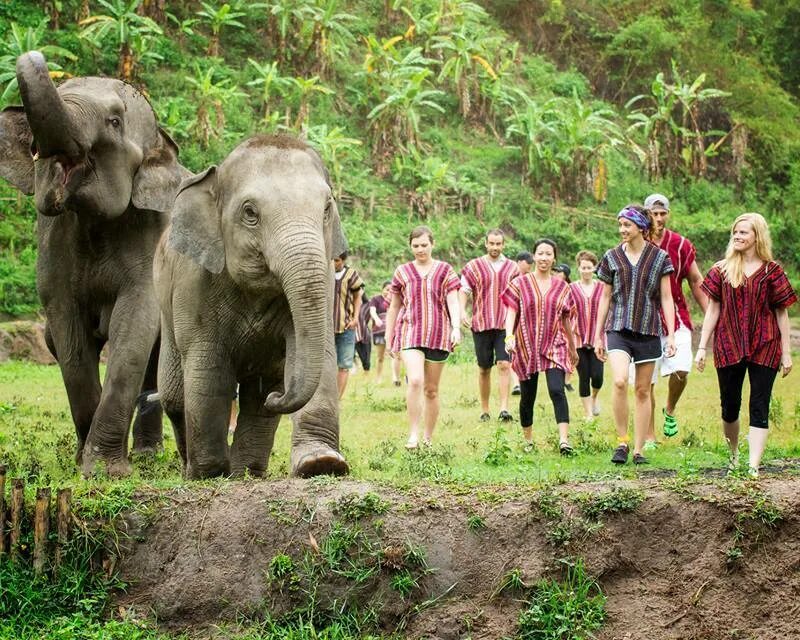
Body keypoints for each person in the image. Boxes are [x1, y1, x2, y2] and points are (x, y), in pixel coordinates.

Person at [695, 213, 796, 477]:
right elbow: (713, 309)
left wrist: (786, 353)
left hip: (766, 344)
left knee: (759, 405)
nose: (738, 237)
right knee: (729, 407)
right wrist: (702, 347)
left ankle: (752, 466)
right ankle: (734, 456)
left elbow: (781, 313)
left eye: (744, 233)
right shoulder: (721, 269)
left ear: (757, 237)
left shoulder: (772, 271)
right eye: (735, 232)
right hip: (728, 345)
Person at [595, 204, 676, 465]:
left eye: (626, 225)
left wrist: (671, 335)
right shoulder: (611, 257)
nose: (622, 230)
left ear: (641, 226)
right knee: (619, 381)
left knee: (642, 390)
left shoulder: (660, 258)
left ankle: (639, 449)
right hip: (618, 327)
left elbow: (666, 297)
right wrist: (597, 334)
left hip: (648, 328)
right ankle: (622, 442)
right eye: (619, 225)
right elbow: (605, 297)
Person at [385, 226, 461, 449]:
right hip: (410, 332)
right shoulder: (402, 272)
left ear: (432, 244)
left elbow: (453, 301)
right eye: (416, 246)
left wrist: (456, 328)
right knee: (415, 380)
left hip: (439, 334)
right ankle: (413, 435)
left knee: (431, 389)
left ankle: (428, 438)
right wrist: (390, 336)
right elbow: (394, 306)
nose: (420, 250)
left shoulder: (445, 271)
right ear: (410, 246)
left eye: (424, 245)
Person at [643, 193, 709, 445]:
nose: (658, 218)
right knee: (645, 381)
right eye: (654, 213)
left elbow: (695, 280)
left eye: (662, 214)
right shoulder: (638, 241)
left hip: (677, 316)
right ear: (646, 214)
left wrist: (711, 314)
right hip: (645, 318)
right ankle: (649, 436)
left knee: (681, 368)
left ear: (668, 214)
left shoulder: (681, 245)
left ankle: (669, 409)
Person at [503, 238, 579, 455]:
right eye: (540, 253)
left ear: (554, 258)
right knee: (528, 395)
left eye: (548, 254)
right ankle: (528, 441)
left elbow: (566, 320)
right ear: (534, 256)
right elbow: (511, 311)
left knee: (557, 390)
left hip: (555, 344)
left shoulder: (562, 287)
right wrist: (509, 336)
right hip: (526, 345)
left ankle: (564, 440)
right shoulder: (520, 283)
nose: (544, 258)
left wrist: (572, 348)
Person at [459, 229, 519, 422]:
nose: (495, 247)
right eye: (491, 243)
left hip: (504, 324)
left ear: (503, 245)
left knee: (504, 364)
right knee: (484, 367)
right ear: (486, 244)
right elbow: (464, 291)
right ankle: (485, 410)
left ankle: (504, 409)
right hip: (481, 323)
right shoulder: (473, 267)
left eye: (498, 244)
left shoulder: (512, 268)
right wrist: (461, 311)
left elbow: (519, 295)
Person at [570, 250, 604, 419]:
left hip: (598, 339)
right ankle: (588, 413)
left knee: (597, 377)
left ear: (594, 268)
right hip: (578, 338)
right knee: (584, 376)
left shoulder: (602, 288)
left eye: (589, 267)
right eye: (583, 267)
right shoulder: (571, 289)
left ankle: (594, 397)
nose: (586, 271)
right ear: (578, 268)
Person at [333, 252, 363, 399]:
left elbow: (358, 297)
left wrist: (355, 318)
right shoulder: (324, 272)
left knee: (344, 365)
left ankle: (337, 399)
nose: (333, 263)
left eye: (337, 260)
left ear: (343, 261)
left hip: (346, 326)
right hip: (326, 328)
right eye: (331, 260)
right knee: (326, 365)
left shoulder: (352, 275)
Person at [511, 251, 534, 396]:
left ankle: (525, 378)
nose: (530, 267)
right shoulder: (511, 278)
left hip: (529, 321)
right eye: (528, 264)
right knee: (513, 352)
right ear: (519, 262)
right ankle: (515, 383)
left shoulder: (531, 279)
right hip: (513, 320)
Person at [552, 263, 575, 392]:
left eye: (559, 272)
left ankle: (567, 380)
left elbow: (573, 309)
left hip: (568, 326)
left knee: (569, 353)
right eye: (554, 271)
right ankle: (562, 381)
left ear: (565, 275)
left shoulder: (569, 288)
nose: (555, 274)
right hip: (554, 328)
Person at [368, 281, 395, 384]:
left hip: (392, 331)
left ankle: (395, 378)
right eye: (387, 289)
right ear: (382, 289)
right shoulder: (376, 299)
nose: (388, 292)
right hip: (379, 331)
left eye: (391, 290)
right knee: (380, 357)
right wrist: (376, 319)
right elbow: (372, 311)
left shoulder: (394, 299)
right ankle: (378, 378)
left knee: (394, 354)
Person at [354, 289, 372, 375]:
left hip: (365, 334)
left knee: (367, 356)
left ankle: (366, 374)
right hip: (354, 335)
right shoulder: (350, 306)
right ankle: (357, 369)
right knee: (360, 355)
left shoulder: (366, 306)